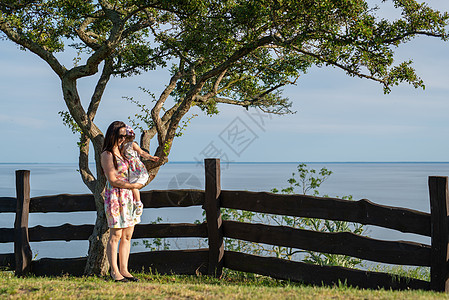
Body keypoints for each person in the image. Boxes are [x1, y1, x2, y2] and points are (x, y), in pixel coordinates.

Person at [100, 121, 143, 282]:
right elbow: (112, 180)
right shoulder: (107, 154)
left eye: (125, 136)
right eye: (120, 136)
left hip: (129, 197)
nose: (123, 139)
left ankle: (124, 270)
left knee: (127, 235)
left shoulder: (124, 152)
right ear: (113, 135)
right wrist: (134, 185)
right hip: (115, 197)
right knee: (116, 235)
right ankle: (114, 272)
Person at [121, 124, 159, 216]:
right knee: (131, 187)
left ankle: (138, 203)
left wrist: (151, 158)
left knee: (133, 187)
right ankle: (134, 204)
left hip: (136, 168)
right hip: (129, 169)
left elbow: (142, 152)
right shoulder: (121, 147)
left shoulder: (132, 145)